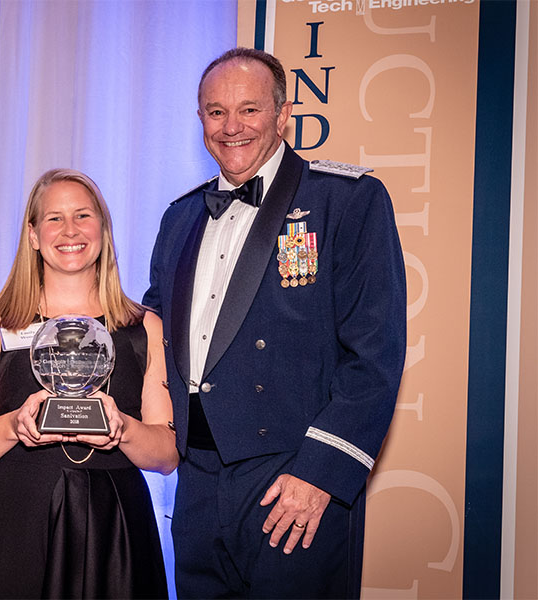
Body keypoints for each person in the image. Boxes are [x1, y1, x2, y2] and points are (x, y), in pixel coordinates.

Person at [142, 47, 406, 598]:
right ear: (199, 120)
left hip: (292, 478)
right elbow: (152, 331)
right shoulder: (180, 217)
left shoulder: (346, 200)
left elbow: (373, 356)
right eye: (216, 112)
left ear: (283, 113)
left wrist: (319, 474)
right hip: (197, 482)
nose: (231, 126)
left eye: (249, 110)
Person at [0, 168, 177, 599]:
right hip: (13, 523)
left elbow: (166, 455)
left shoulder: (145, 328)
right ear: (32, 235)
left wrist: (123, 428)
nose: (70, 230)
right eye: (53, 218)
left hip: (115, 531)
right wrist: (14, 425)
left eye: (83, 216)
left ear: (103, 229)